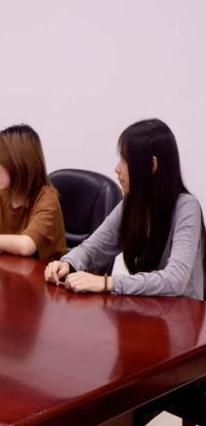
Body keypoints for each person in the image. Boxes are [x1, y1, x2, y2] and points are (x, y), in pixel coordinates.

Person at [45, 119, 205, 299]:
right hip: (146, 308)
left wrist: (107, 282)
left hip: (183, 312)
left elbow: (175, 281)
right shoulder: (132, 204)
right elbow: (92, 249)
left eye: (125, 160)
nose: (117, 169)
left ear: (152, 165)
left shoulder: (187, 208)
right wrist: (67, 263)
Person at [0, 124, 66, 262]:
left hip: (43, 274)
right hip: (10, 270)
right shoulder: (1, 195)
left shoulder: (47, 198)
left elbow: (26, 245)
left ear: (18, 164)